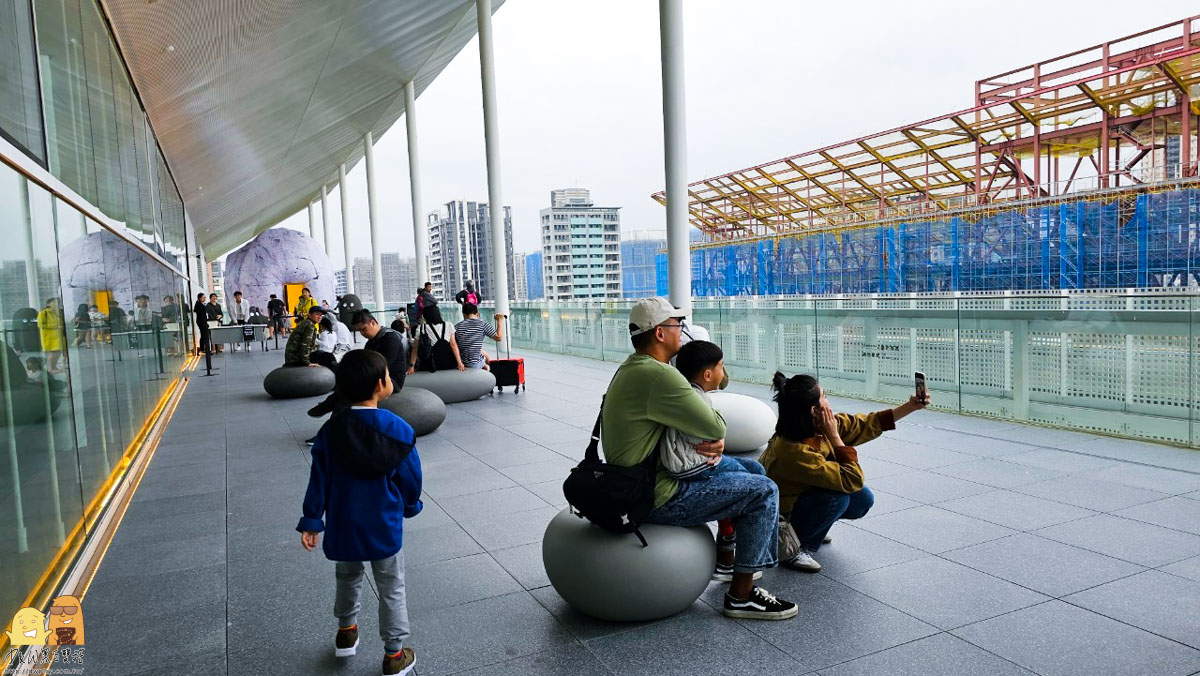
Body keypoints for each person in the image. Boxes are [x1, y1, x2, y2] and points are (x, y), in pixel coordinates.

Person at [600, 297, 797, 620]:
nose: (682, 330)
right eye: (677, 325)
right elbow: (715, 426)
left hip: (640, 480)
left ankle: (726, 556)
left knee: (751, 467)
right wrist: (715, 437)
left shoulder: (633, 368)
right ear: (659, 333)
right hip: (656, 494)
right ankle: (742, 595)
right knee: (764, 492)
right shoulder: (659, 376)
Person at [297, 349, 421, 676]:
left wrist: (312, 520)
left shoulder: (331, 431)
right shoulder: (399, 429)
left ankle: (346, 631)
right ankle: (394, 655)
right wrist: (410, 505)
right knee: (391, 585)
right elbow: (410, 478)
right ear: (381, 384)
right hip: (383, 523)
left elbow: (318, 479)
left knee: (347, 575)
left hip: (343, 523)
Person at [759, 372, 928, 572]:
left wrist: (910, 406)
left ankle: (812, 528)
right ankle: (799, 547)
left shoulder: (812, 427)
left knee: (861, 499)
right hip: (779, 519)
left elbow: (865, 424)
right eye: (825, 396)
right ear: (815, 410)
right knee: (837, 498)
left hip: (799, 498)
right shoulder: (795, 452)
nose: (828, 401)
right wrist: (835, 438)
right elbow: (852, 479)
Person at [408, 306, 463, 374]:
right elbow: (453, 345)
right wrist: (459, 363)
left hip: (430, 365)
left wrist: (411, 366)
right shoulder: (449, 325)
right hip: (449, 363)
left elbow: (415, 348)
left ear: (425, 316)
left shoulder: (421, 328)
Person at [453, 303, 504, 370]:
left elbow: (454, 345)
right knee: (485, 358)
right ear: (477, 314)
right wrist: (499, 320)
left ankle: (486, 368)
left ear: (463, 314)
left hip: (462, 362)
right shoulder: (482, 324)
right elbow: (499, 337)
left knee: (483, 353)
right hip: (475, 363)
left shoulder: (457, 327)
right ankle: (495, 372)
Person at [36, 299, 64, 373]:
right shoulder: (43, 313)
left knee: (58, 352)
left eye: (58, 302)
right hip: (49, 337)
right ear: (48, 304)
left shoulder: (57, 313)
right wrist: (56, 326)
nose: (57, 304)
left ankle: (53, 367)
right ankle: (51, 368)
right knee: (54, 353)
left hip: (57, 336)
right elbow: (40, 324)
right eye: (55, 302)